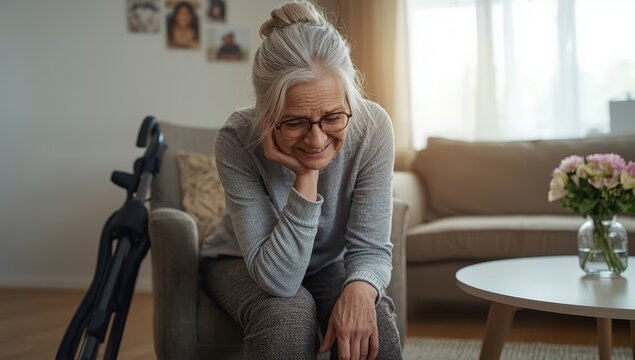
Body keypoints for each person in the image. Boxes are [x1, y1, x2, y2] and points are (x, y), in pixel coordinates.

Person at [199, 1, 402, 359]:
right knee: (287, 312)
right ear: (266, 112)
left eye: (332, 117)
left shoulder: (372, 128)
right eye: (294, 122)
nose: (317, 140)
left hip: (327, 264)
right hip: (241, 261)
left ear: (349, 97)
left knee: (375, 324)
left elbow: (370, 248)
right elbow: (278, 280)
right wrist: (307, 175)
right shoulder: (236, 138)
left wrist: (360, 286)